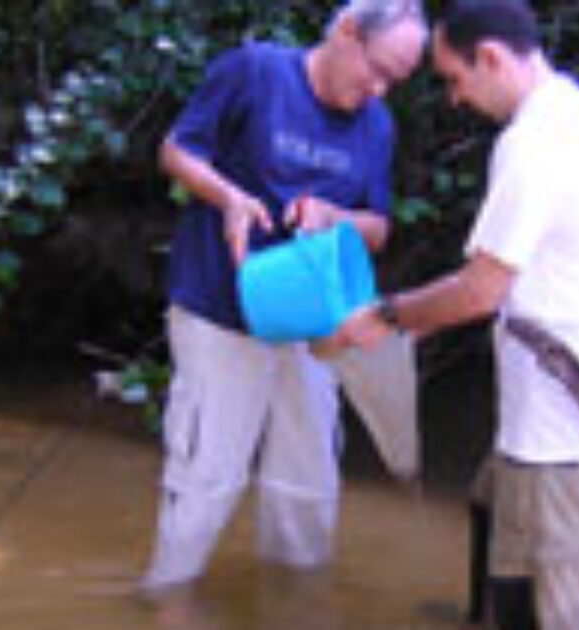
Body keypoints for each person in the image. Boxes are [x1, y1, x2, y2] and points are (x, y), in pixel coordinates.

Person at [335, 1, 579, 629]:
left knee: (550, 580)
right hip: (578, 381)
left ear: (491, 58)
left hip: (564, 405)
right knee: (493, 506)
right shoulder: (577, 114)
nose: (454, 100)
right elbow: (518, 278)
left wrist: (390, 316)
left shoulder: (535, 143)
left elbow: (481, 289)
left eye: (454, 79)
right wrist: (422, 321)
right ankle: (485, 617)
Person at [139, 0, 428, 608]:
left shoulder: (376, 124)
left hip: (310, 323)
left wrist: (333, 217)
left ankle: (297, 607)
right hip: (220, 309)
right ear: (346, 32)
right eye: (375, 71)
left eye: (394, 83)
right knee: (207, 474)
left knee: (308, 483)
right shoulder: (254, 71)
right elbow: (177, 150)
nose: (378, 90)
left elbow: (376, 226)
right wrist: (229, 199)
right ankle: (165, 603)